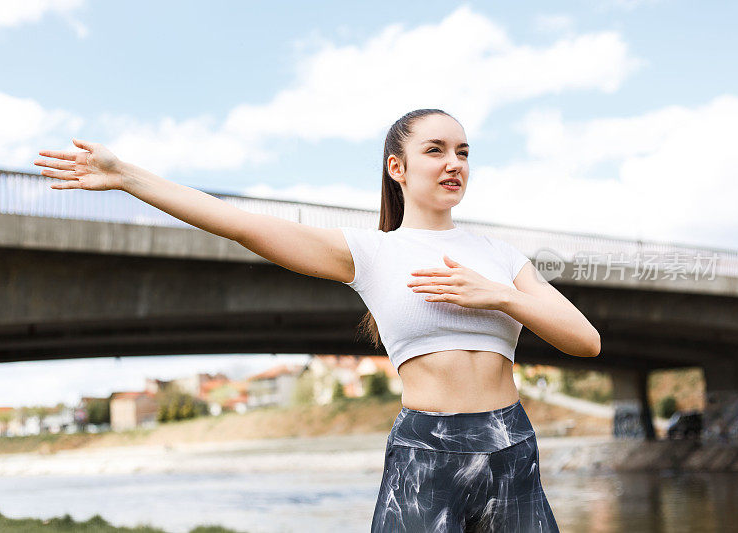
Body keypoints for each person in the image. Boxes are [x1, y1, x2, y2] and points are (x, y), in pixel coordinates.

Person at [34, 108, 600, 532]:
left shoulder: (501, 258)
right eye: (436, 150)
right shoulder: (371, 253)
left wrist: (500, 296)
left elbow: (586, 341)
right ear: (397, 167)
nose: (454, 163)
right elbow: (240, 224)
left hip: (512, 442)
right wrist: (129, 176)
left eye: (464, 151)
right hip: (428, 448)